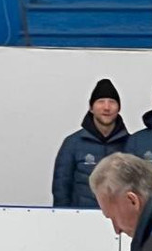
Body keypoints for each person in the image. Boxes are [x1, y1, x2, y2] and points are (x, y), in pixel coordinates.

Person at [52, 78, 131, 208]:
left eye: (112, 102)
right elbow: (61, 188)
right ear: (91, 108)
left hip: (119, 216)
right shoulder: (72, 143)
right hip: (82, 216)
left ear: (119, 108)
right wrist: (63, 215)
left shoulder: (131, 143)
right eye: (101, 102)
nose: (106, 107)